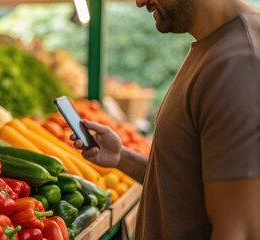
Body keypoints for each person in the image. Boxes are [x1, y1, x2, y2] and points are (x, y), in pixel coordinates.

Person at [71, 0, 260, 239]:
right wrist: (122, 158)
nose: (139, 2)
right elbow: (188, 182)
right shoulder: (214, 48)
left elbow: (240, 231)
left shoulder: (241, 62)